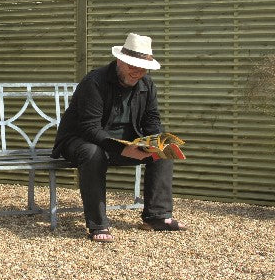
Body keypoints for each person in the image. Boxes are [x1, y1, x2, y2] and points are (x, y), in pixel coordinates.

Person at [52, 33, 186, 242]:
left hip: (125, 144)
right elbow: (89, 128)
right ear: (120, 60)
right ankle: (98, 225)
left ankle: (157, 217)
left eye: (142, 68)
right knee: (92, 153)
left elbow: (152, 120)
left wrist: (153, 143)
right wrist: (123, 149)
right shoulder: (94, 82)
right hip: (80, 142)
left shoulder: (147, 85)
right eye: (133, 66)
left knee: (163, 152)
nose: (137, 72)